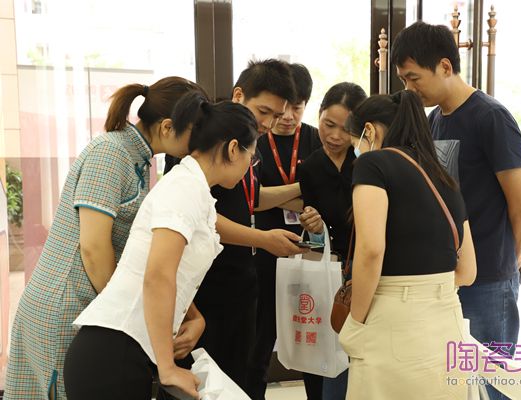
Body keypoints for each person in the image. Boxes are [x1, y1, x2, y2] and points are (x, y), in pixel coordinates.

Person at [4, 77, 205, 400]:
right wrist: (121, 315)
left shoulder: (138, 160)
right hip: (64, 307)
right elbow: (93, 248)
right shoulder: (110, 153)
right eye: (197, 130)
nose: (201, 142)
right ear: (168, 127)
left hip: (83, 305)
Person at [63, 93, 259, 400]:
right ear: (234, 149)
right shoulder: (185, 187)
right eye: (252, 156)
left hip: (123, 352)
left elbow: (171, 273)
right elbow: (158, 275)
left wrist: (194, 318)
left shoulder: (194, 188)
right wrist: (168, 368)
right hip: (114, 352)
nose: (250, 166)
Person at [391, 21, 521, 400]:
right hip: (453, 276)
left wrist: (509, 259)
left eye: (413, 78)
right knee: (459, 383)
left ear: (444, 66)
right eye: (404, 81)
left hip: (489, 280)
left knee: (493, 383)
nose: (409, 89)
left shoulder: (490, 117)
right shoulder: (434, 120)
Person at [164, 59, 306, 394]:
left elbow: (250, 198)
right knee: (201, 382)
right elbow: (202, 217)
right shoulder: (200, 142)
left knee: (240, 378)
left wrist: (302, 188)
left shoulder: (249, 144)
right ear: (239, 94)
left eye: (276, 115)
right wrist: (262, 238)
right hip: (207, 286)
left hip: (242, 281)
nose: (268, 123)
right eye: (264, 111)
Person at [338, 90, 477, 399]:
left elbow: (371, 251)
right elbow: (468, 271)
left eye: (354, 142)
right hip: (447, 323)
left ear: (369, 130)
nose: (355, 152)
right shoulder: (443, 176)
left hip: (394, 320)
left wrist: (356, 322)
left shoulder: (373, 164)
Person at [247, 63, 323, 400]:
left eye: (298, 107)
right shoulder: (256, 138)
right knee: (260, 342)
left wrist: (273, 195)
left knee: (313, 340)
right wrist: (302, 188)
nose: (288, 117)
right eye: (283, 108)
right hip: (264, 255)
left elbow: (327, 197)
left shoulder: (317, 139)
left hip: (310, 255)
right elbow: (253, 200)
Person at [297, 82, 367, 400]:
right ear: (319, 114)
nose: (335, 136)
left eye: (345, 128)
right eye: (328, 124)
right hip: (326, 273)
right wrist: (313, 225)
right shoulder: (311, 167)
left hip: (365, 270)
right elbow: (315, 230)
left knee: (356, 355)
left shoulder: (367, 162)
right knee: (321, 349)